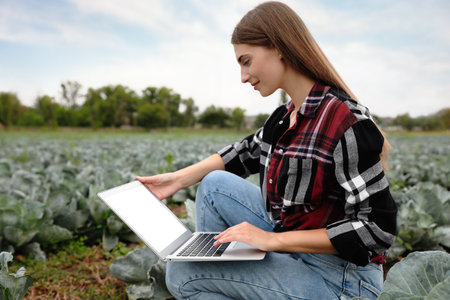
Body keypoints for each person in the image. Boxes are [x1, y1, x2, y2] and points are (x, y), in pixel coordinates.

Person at [137, 1, 397, 299]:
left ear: (278, 47)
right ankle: (230, 277)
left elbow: (376, 231)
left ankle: (222, 281)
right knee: (214, 185)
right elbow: (243, 153)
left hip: (340, 278)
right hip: (297, 249)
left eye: (246, 61)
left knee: (184, 276)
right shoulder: (286, 116)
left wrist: (273, 241)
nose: (243, 77)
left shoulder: (346, 122)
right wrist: (178, 180)